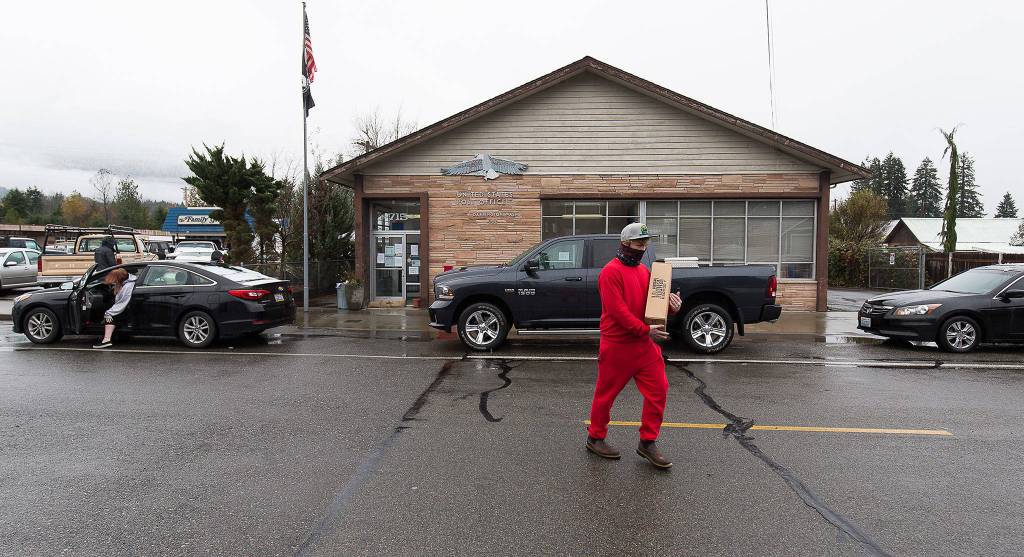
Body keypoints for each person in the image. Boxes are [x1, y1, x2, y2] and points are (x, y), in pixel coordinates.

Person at [586, 223, 682, 469]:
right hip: (617, 345)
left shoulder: (644, 271)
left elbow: (654, 305)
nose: (643, 248)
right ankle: (595, 438)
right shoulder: (610, 272)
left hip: (643, 345)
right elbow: (617, 312)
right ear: (625, 243)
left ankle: (647, 442)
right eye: (639, 244)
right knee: (606, 395)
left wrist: (672, 306)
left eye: (646, 243)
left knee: (659, 389)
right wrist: (644, 329)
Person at [93, 268, 136, 349]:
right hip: (127, 309)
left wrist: (109, 312)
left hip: (126, 310)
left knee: (109, 315)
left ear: (119, 278)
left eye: (115, 280)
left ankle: (106, 340)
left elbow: (122, 303)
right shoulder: (126, 282)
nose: (113, 282)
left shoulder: (127, 287)